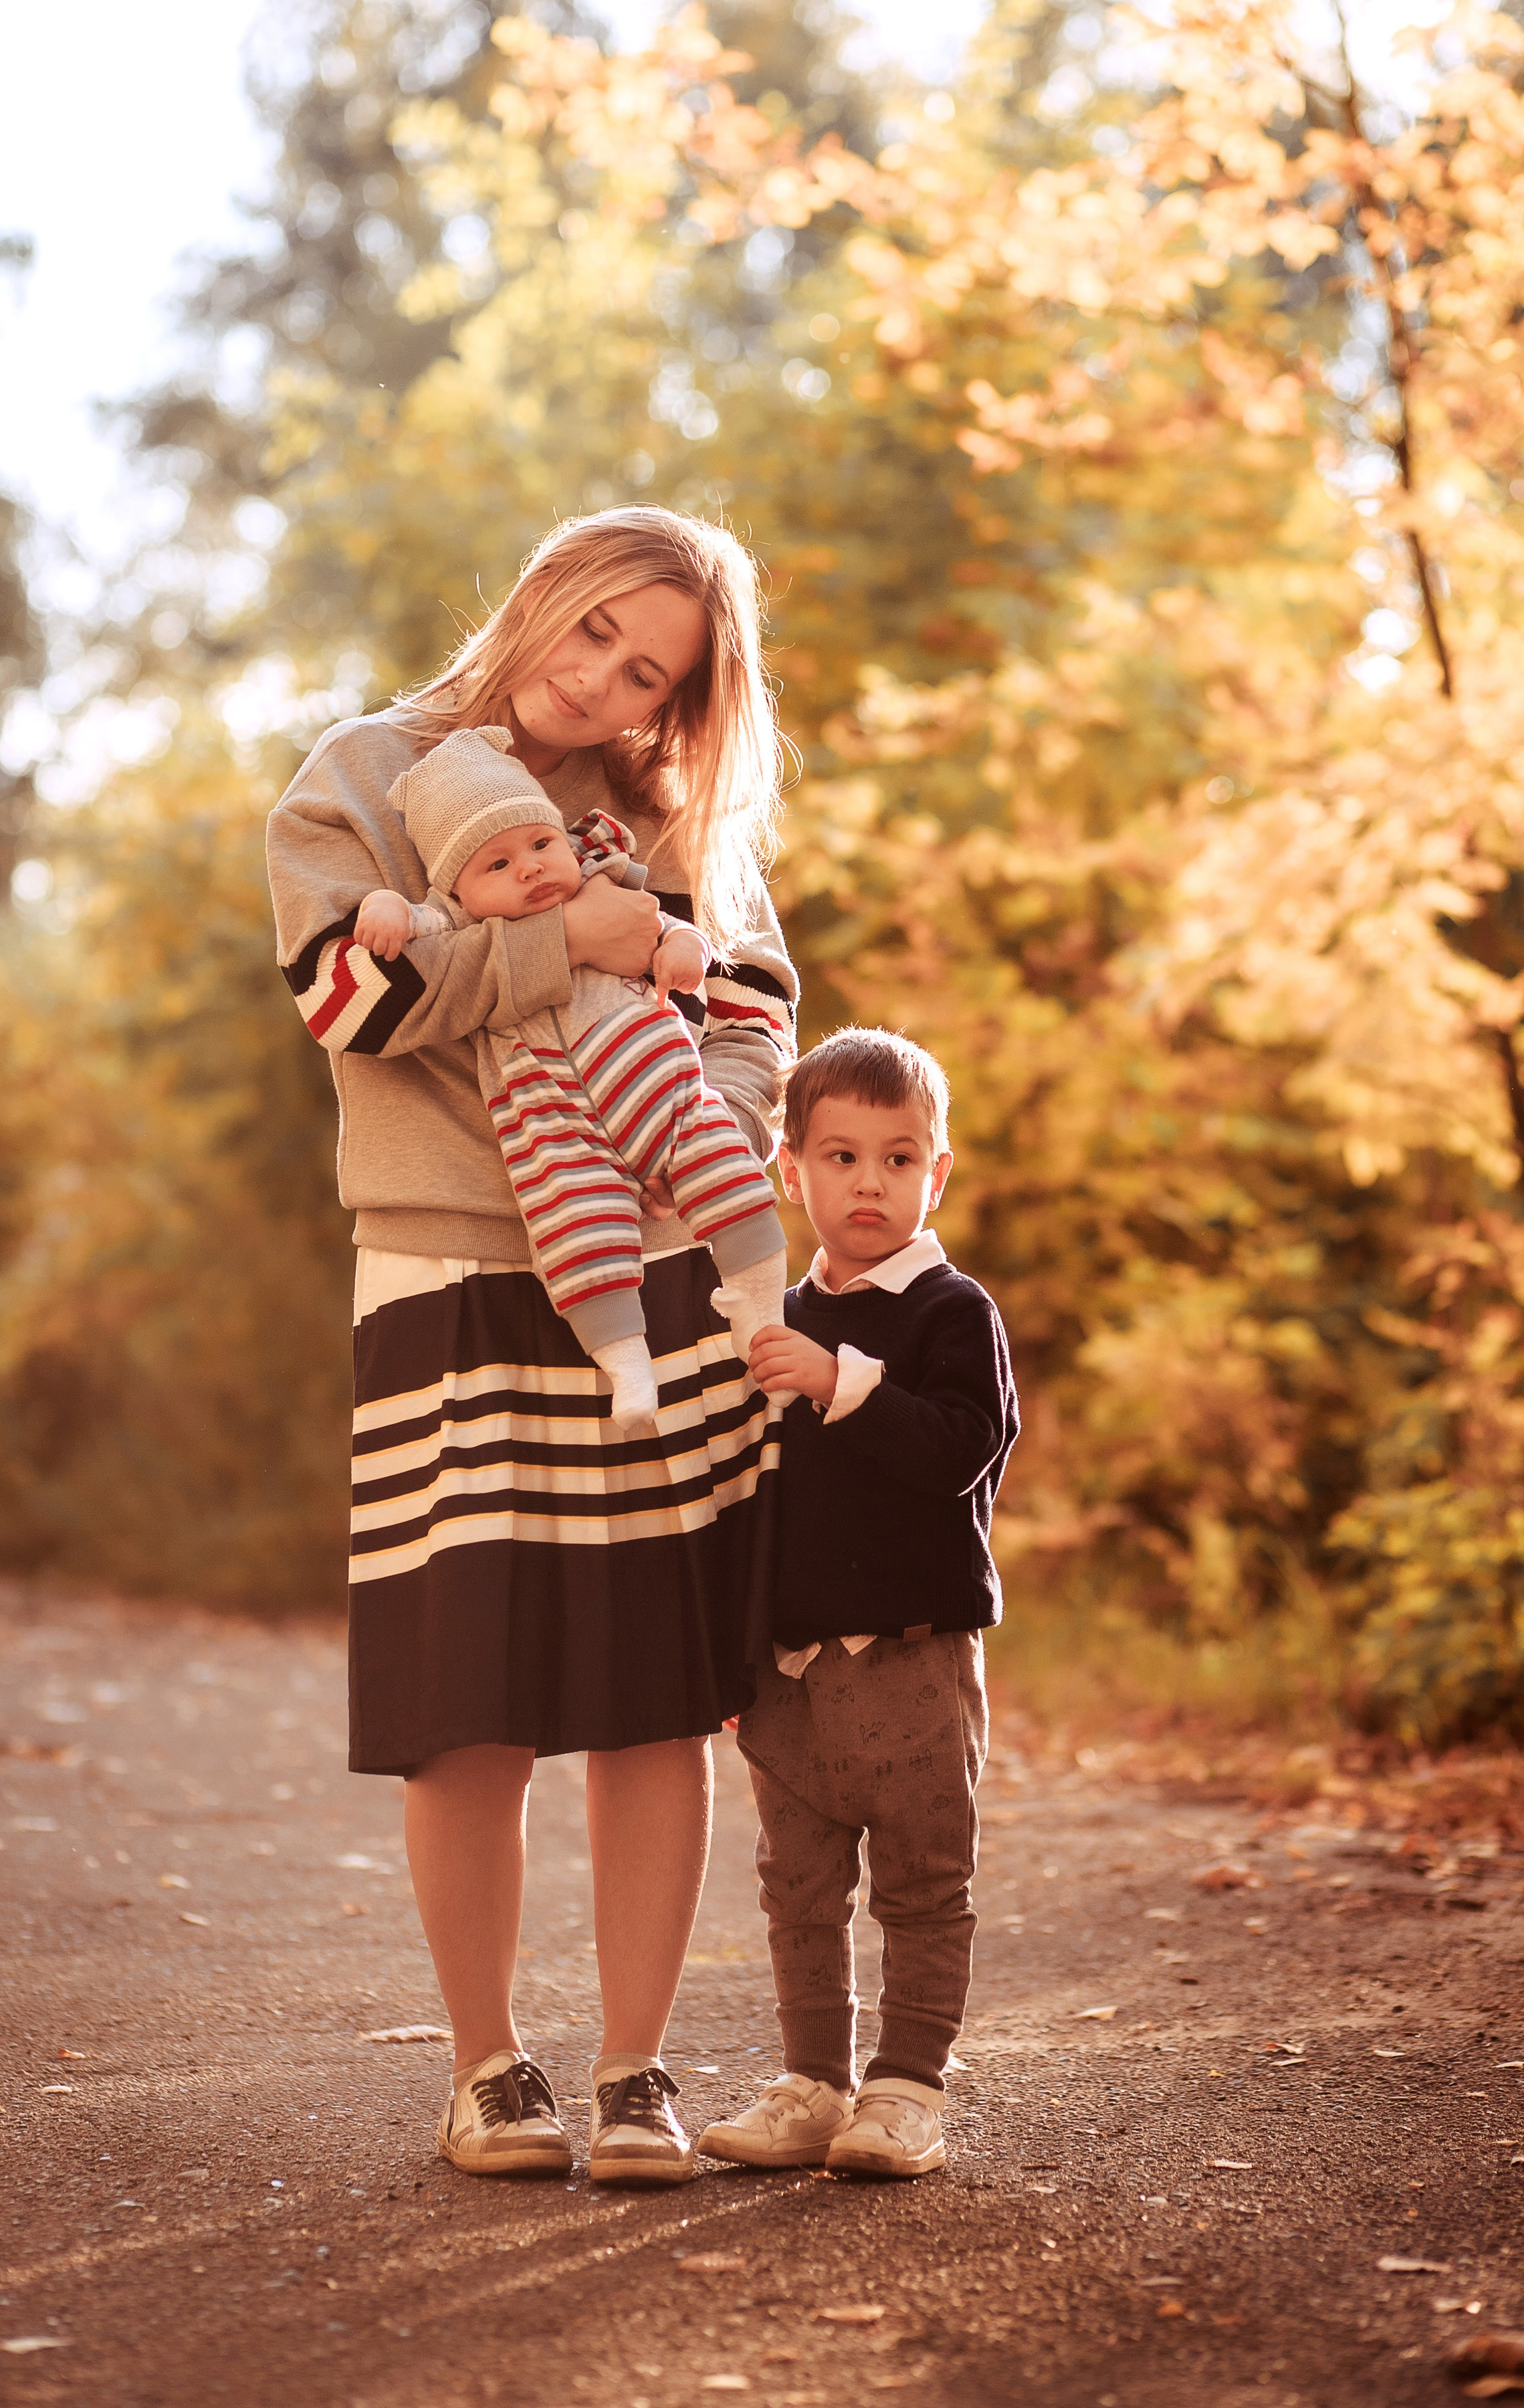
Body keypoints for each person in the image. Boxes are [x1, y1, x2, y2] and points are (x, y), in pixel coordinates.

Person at [266, 507, 797, 2189]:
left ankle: (637, 2069)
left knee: (653, 1697)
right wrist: (559, 942)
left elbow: (752, 1010)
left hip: (653, 1290)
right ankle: (489, 2066)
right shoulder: (363, 772)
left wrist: (697, 1156)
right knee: (468, 1696)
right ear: (538, 601)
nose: (602, 685)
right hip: (440, 1270)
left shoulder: (668, 823)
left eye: (647, 674)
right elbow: (349, 1008)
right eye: (591, 636)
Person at [698, 1027, 1018, 2180]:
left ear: (937, 1175)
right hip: (793, 1672)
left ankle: (906, 2090)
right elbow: (747, 1508)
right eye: (841, 1157)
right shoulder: (771, 1321)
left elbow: (960, 1451)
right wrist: (729, 1661)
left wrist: (843, 1382)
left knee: (926, 1882)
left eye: (897, 1158)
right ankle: (813, 2085)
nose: (868, 1182)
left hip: (916, 1662)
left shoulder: (951, 1313)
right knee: (798, 1887)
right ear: (793, 1169)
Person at [353, 727, 791, 1437]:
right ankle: (627, 1369)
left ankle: (760, 1307)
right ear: (460, 887)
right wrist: (386, 908)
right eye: (498, 863)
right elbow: (414, 929)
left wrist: (683, 950)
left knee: (727, 1172)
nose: (529, 868)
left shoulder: (607, 876)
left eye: (539, 844)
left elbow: (673, 930)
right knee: (575, 1234)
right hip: (548, 1114)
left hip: (657, 1080)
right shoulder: (459, 921)